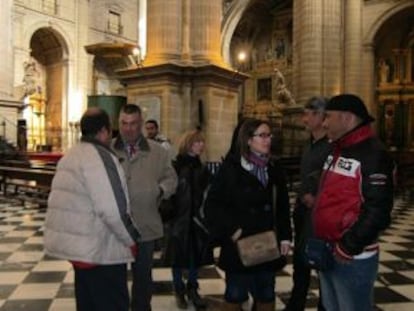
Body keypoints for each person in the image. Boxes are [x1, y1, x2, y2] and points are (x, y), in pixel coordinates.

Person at [44, 107, 140, 311]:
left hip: (80, 251)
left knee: (87, 304)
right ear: (105, 130)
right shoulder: (100, 157)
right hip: (101, 251)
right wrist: (131, 238)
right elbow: (113, 210)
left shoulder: (71, 155)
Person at [313, 94, 395, 311]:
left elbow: (378, 211)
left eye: (328, 117)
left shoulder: (374, 153)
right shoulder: (338, 148)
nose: (324, 122)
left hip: (352, 256)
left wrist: (348, 247)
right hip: (328, 248)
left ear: (347, 119)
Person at [204, 118, 292, 311]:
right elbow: (212, 206)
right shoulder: (231, 168)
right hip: (239, 245)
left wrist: (285, 236)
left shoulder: (274, 168)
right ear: (248, 140)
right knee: (235, 294)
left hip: (267, 243)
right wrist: (233, 231)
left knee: (266, 293)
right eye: (262, 135)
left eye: (269, 135)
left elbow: (282, 206)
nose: (268, 139)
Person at [112, 104, 178, 311]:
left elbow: (171, 178)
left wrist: (159, 190)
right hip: (115, 226)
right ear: (118, 123)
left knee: (142, 276)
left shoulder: (157, 151)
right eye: (124, 123)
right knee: (115, 277)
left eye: (133, 123)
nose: (128, 128)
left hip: (145, 223)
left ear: (140, 124)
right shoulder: (108, 150)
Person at [283, 97, 331, 311]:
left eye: (307, 114)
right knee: (300, 262)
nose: (303, 118)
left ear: (321, 117)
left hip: (320, 214)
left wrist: (316, 196)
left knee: (321, 261)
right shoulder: (308, 143)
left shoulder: (332, 146)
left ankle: (325, 305)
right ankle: (296, 304)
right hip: (303, 212)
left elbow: (331, 179)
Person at [163, 129, 213, 309]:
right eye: (197, 142)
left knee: (195, 257)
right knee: (177, 258)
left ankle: (192, 288)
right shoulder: (176, 166)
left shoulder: (202, 168)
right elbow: (169, 193)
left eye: (202, 142)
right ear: (188, 144)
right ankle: (178, 289)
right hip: (179, 220)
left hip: (197, 220)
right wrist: (171, 215)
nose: (201, 145)